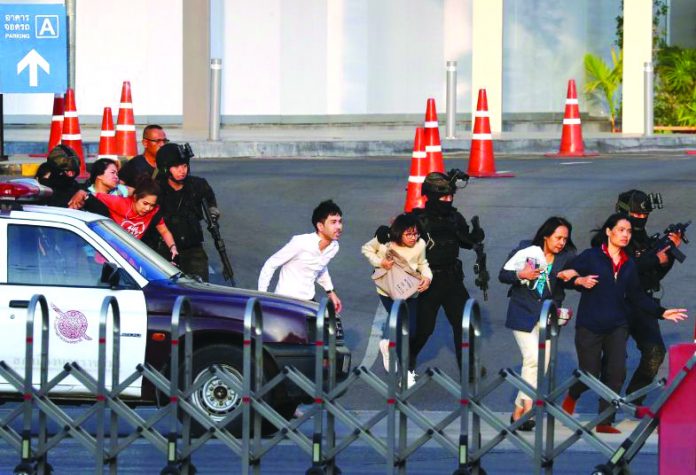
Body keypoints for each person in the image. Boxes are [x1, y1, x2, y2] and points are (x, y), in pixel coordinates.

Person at [561, 213, 687, 433]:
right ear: (609, 232)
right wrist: (577, 279)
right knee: (589, 372)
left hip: (617, 325)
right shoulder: (592, 256)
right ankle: (573, 393)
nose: (626, 235)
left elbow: (637, 296)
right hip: (590, 325)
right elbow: (566, 273)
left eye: (628, 231)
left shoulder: (628, 265)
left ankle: (604, 421)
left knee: (616, 372)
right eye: (621, 230)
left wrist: (662, 312)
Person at [380, 171, 484, 379]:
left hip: (452, 280)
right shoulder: (418, 220)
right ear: (431, 196)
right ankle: (406, 357)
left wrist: (476, 235)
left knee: (464, 323)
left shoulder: (454, 217)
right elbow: (392, 241)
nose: (448, 201)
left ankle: (468, 368)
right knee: (423, 329)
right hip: (426, 282)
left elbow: (465, 241)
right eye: (443, 197)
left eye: (450, 197)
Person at [499, 217, 577, 431]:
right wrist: (520, 274)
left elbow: (578, 276)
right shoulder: (526, 249)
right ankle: (530, 408)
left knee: (539, 364)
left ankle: (518, 411)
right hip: (523, 313)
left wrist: (575, 274)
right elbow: (503, 275)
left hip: (548, 316)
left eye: (565, 239)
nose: (561, 242)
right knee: (532, 358)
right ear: (546, 236)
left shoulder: (568, 257)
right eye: (557, 237)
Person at [615, 190, 683, 404]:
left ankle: (634, 399)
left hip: (643, 303)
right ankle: (606, 410)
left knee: (655, 353)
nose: (641, 220)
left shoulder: (643, 238)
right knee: (615, 361)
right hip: (619, 304)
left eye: (645, 216)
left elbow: (653, 276)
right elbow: (621, 268)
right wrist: (653, 260)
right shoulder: (613, 236)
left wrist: (668, 255)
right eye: (636, 215)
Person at [361, 213, 432, 381]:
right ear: (399, 233)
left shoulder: (420, 245)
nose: (413, 237)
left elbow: (423, 264)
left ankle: (389, 345)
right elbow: (366, 249)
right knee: (403, 326)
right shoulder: (385, 242)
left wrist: (427, 278)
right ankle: (405, 371)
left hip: (410, 291)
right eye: (409, 234)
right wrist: (380, 262)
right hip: (389, 293)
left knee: (412, 330)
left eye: (416, 233)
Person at [258, 200, 343, 313]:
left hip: (309, 301)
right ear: (320, 226)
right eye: (333, 222)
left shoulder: (334, 247)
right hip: (287, 302)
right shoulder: (301, 243)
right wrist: (262, 296)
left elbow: (320, 266)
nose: (339, 226)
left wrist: (330, 292)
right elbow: (270, 264)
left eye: (340, 221)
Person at [151, 142, 219, 281]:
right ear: (165, 169)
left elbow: (210, 201)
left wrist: (213, 212)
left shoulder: (198, 185)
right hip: (164, 248)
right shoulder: (156, 189)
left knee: (200, 288)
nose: (182, 170)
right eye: (176, 167)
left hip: (193, 248)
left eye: (184, 166)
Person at [89, 177, 178, 260]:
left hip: (130, 255)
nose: (147, 209)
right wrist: (81, 193)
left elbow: (164, 231)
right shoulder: (119, 203)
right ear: (135, 198)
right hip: (108, 253)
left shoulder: (153, 212)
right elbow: (90, 195)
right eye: (145, 203)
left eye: (152, 205)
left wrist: (172, 247)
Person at [68, 158, 132, 214]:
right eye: (112, 173)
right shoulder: (84, 196)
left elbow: (140, 193)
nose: (116, 177)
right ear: (99, 175)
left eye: (117, 174)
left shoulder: (120, 190)